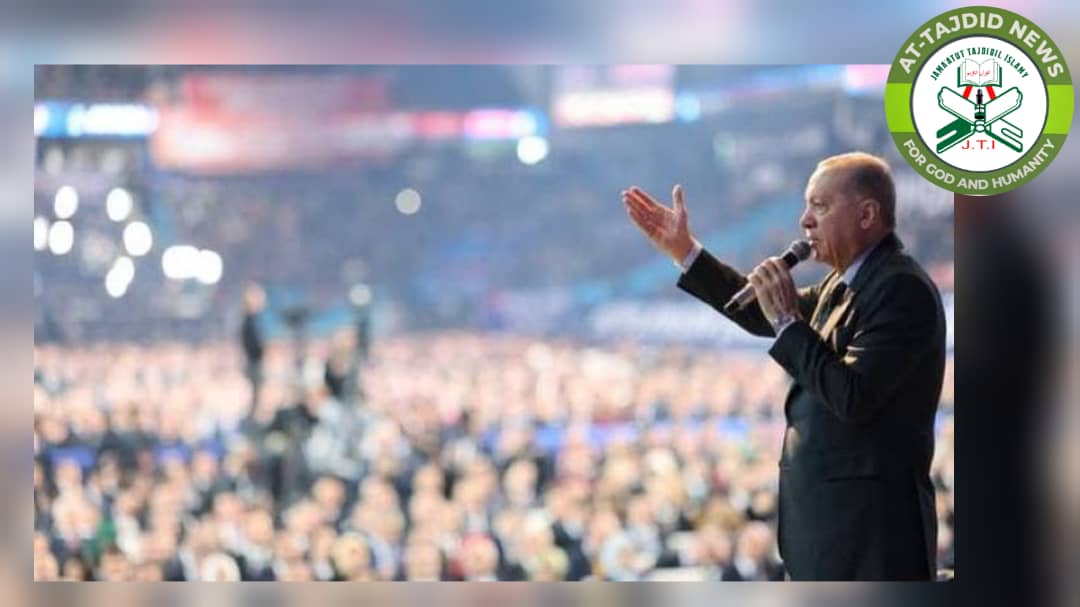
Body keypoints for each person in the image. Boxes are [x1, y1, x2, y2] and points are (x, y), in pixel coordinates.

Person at [622, 152, 946, 580]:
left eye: (820, 206)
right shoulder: (842, 283)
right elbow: (761, 312)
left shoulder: (900, 287)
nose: (804, 221)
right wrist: (686, 252)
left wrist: (788, 322)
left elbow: (854, 397)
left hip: (871, 538)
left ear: (867, 214)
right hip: (834, 533)